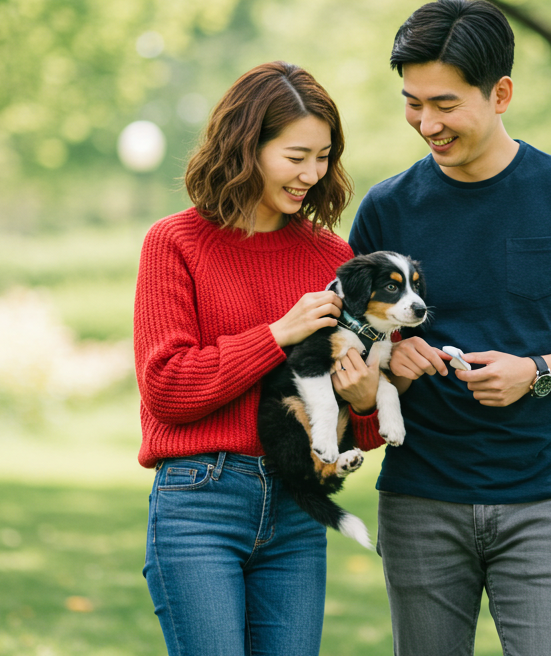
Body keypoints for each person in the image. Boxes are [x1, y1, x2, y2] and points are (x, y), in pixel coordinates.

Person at [348, 0, 551, 656]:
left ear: (501, 92)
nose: (426, 122)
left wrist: (537, 372)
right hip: (419, 497)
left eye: (445, 104)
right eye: (412, 101)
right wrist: (388, 356)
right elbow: (350, 339)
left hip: (543, 497)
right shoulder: (385, 209)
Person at [132, 61, 385, 656]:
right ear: (248, 146)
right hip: (202, 502)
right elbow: (167, 387)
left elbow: (359, 415)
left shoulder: (333, 256)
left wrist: (367, 401)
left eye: (323, 157)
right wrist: (276, 334)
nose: (311, 175)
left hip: (300, 506)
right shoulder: (174, 243)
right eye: (295, 156)